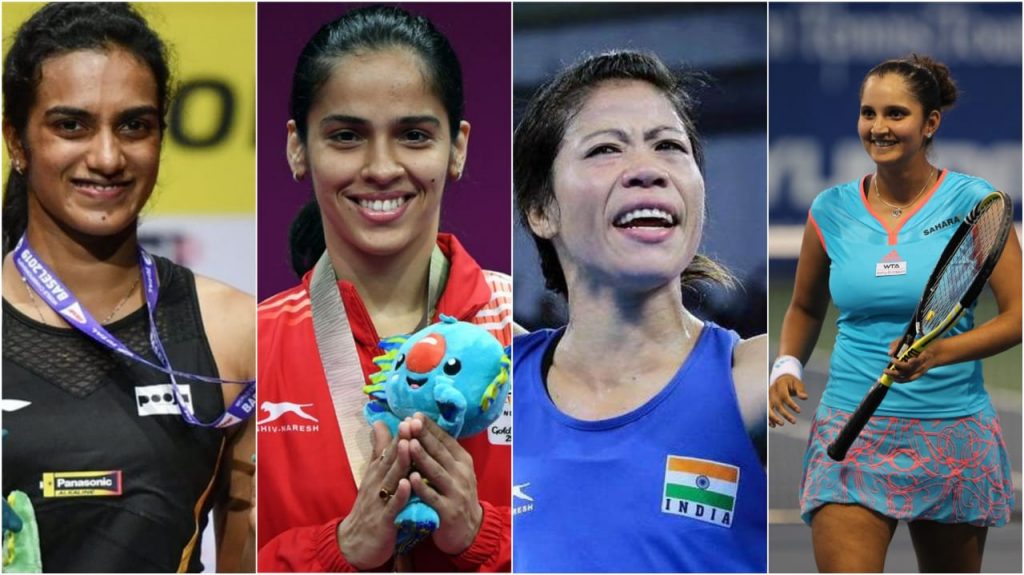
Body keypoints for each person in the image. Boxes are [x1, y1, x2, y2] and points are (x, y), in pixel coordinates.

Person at [1, 3, 256, 572]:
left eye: (134, 125)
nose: (108, 157)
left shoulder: (235, 333)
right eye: (72, 125)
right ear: (17, 141)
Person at [256, 6, 511, 572]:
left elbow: (586, 541)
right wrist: (340, 551)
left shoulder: (527, 337)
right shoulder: (252, 348)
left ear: (458, 147)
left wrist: (481, 536)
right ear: (298, 148)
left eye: (414, 135)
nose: (380, 167)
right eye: (346, 136)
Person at [512, 50, 767, 573]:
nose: (647, 170)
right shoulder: (492, 387)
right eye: (606, 148)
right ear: (541, 209)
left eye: (670, 146)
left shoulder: (756, 379)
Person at [769, 54, 1022, 572]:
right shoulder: (830, 209)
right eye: (868, 113)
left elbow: (1019, 313)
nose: (878, 128)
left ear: (930, 123)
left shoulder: (975, 204)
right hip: (851, 431)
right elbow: (803, 306)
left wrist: (940, 353)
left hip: (952, 434)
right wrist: (787, 364)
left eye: (895, 114)